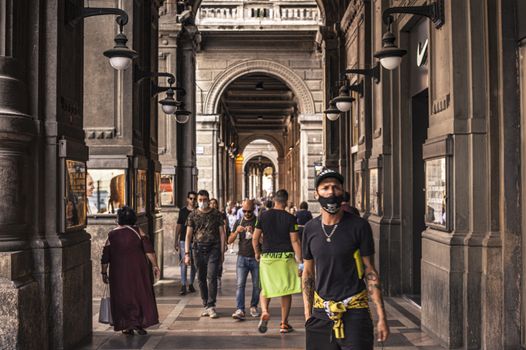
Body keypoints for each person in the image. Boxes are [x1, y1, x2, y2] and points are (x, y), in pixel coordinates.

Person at [301, 169, 389, 349]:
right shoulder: (310, 229)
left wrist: (381, 316)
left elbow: (369, 270)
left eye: (336, 187)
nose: (331, 192)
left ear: (343, 192)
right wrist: (308, 314)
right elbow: (308, 273)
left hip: (355, 311)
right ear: (316, 193)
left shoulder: (359, 226)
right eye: (325, 188)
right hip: (320, 313)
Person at [101, 206, 160, 335]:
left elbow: (105, 256)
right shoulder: (138, 231)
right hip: (138, 271)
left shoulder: (112, 234)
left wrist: (104, 272)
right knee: (138, 295)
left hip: (118, 273)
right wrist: (155, 265)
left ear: (118, 219)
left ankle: (127, 325)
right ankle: (138, 324)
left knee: (122, 297)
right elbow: (149, 250)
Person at [252, 189, 302, 334]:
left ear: (274, 200)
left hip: (267, 257)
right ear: (286, 201)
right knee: (285, 291)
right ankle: (284, 324)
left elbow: (255, 238)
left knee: (266, 287)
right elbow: (295, 241)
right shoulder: (291, 218)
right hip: (285, 258)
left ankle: (265, 311)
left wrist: (257, 253)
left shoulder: (263, 216)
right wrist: (300, 262)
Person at [184, 190, 226, 319]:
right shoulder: (193, 215)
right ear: (197, 200)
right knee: (201, 278)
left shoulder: (217, 214)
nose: (203, 202)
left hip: (214, 248)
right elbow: (188, 235)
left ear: (208, 199)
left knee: (212, 276)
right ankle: (206, 305)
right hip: (198, 249)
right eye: (200, 200)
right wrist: (186, 253)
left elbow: (222, 233)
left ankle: (211, 305)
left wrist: (222, 251)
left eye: (205, 200)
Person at [228, 199, 261, 321]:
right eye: (245, 211)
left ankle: (253, 306)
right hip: (242, 257)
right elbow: (229, 241)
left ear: (254, 209)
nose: (247, 213)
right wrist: (236, 231)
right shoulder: (238, 222)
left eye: (249, 211)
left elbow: (264, 241)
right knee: (240, 284)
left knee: (257, 285)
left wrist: (255, 235)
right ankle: (240, 309)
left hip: (256, 258)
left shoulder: (258, 222)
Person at [175, 191, 197, 295]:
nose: (192, 201)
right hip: (184, 240)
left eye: (194, 199)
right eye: (191, 198)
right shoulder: (182, 211)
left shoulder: (198, 211)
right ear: (187, 199)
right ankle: (183, 285)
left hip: (196, 241)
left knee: (194, 264)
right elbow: (179, 225)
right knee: (184, 263)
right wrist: (176, 240)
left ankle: (191, 284)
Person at [210, 198, 228, 288]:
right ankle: (212, 277)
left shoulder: (221, 215)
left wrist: (225, 242)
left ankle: (218, 277)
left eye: (214, 203)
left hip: (219, 240)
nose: (213, 205)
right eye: (211, 203)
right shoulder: (207, 215)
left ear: (217, 205)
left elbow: (224, 228)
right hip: (210, 241)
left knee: (220, 260)